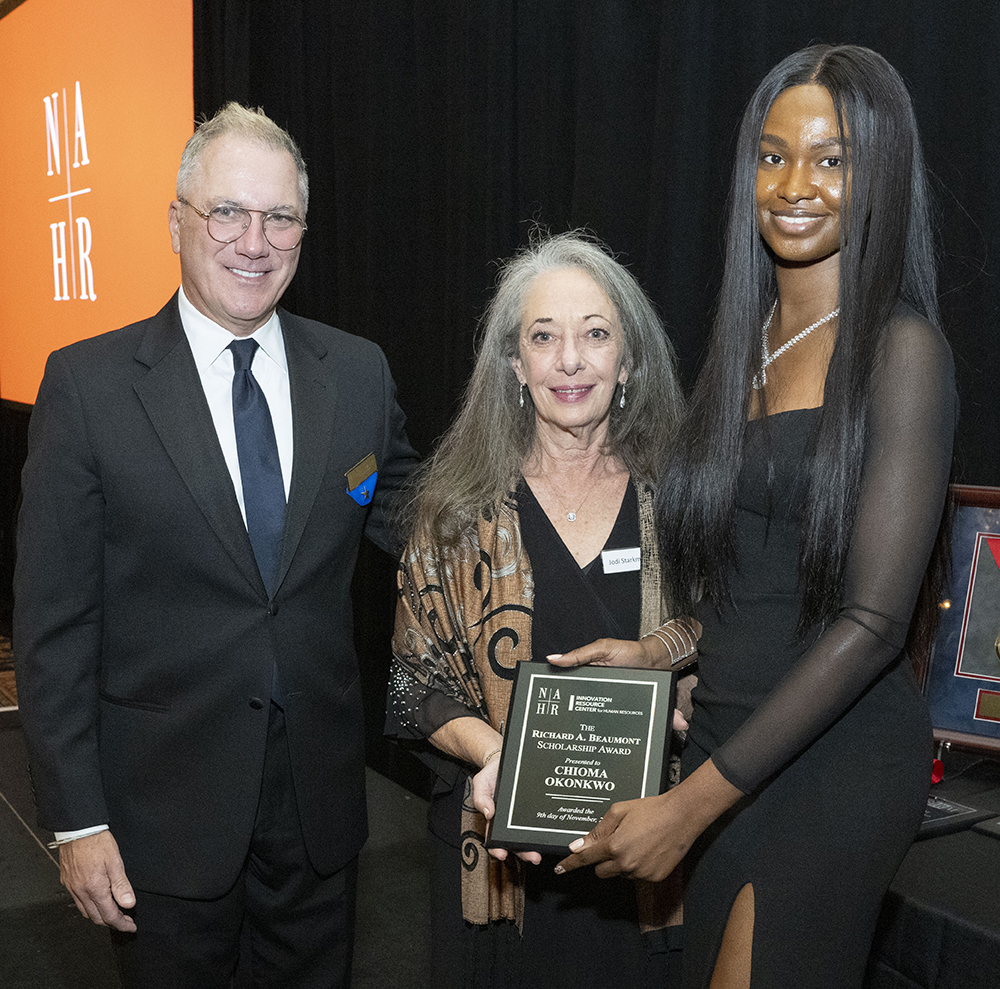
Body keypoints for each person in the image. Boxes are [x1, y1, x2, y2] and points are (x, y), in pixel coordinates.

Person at [553, 45, 957, 989]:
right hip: (731, 743)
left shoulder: (904, 352)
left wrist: (690, 806)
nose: (796, 185)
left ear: (880, 174)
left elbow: (869, 624)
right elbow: (754, 578)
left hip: (835, 762)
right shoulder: (747, 343)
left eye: (832, 158)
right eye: (774, 156)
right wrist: (662, 654)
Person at [14, 102, 417, 988]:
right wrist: (77, 822)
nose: (253, 240)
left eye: (280, 217)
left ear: (304, 232)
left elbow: (423, 522)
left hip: (317, 809)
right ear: (177, 222)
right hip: (161, 818)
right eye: (226, 212)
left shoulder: (356, 373)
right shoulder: (87, 387)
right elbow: (52, 630)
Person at [387, 230, 699, 988]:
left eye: (595, 335)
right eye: (543, 336)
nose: (569, 359)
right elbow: (409, 682)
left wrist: (678, 680)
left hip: (644, 859)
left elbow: (721, 634)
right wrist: (498, 755)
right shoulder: (454, 510)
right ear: (514, 365)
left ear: (626, 363)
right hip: (500, 857)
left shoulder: (684, 504)